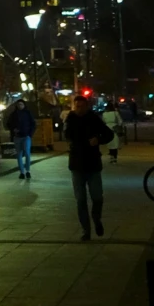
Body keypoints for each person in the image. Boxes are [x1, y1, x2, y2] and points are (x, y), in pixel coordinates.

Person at [63, 95, 109, 241]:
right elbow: (67, 135)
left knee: (97, 197)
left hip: (93, 164)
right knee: (80, 199)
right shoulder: (70, 119)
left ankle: (96, 219)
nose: (79, 109)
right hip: (77, 165)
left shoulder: (93, 118)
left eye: (82, 106)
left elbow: (109, 134)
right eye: (77, 106)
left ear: (87, 106)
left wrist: (98, 140)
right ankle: (86, 230)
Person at [6, 97, 37, 182]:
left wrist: (30, 134)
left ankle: (28, 171)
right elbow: (8, 124)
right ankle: (22, 172)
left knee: (27, 153)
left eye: (21, 104)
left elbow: (33, 124)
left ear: (24, 105)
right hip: (17, 137)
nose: (20, 106)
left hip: (26, 136)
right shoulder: (13, 114)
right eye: (18, 104)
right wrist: (13, 129)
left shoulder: (28, 113)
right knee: (19, 155)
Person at [99, 99, 123, 164]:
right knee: (115, 144)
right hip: (114, 128)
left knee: (110, 143)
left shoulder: (104, 114)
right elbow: (120, 121)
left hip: (107, 128)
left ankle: (111, 157)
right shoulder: (116, 113)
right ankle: (114, 158)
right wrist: (119, 126)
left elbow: (103, 122)